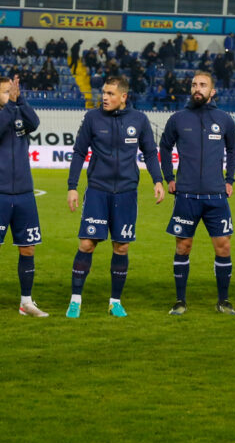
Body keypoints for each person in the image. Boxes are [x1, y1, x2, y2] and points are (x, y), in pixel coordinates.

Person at [65, 76, 164, 318]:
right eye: (104, 93)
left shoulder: (139, 120)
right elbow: (79, 152)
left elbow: (150, 152)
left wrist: (158, 181)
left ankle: (114, 302)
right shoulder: (92, 118)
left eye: (110, 94)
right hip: (98, 190)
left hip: (127, 193)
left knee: (121, 246)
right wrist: (72, 186)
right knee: (87, 244)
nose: (105, 98)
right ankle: (75, 300)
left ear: (123, 96)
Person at [159, 71, 235, 315]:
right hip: (186, 196)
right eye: (194, 84)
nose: (197, 88)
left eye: (203, 85)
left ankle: (223, 301)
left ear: (212, 91)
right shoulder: (178, 118)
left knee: (223, 247)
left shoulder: (224, 119)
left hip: (216, 196)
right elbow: (164, 147)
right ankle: (180, 301)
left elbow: (233, 148)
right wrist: (169, 178)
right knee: (183, 246)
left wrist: (229, 179)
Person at [0, 74, 46, 318]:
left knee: (28, 249)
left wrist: (21, 100)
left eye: (12, 91)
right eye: (6, 92)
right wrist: (10, 106)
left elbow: (35, 122)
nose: (10, 95)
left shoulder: (19, 112)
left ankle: (26, 302)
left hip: (25, 193)